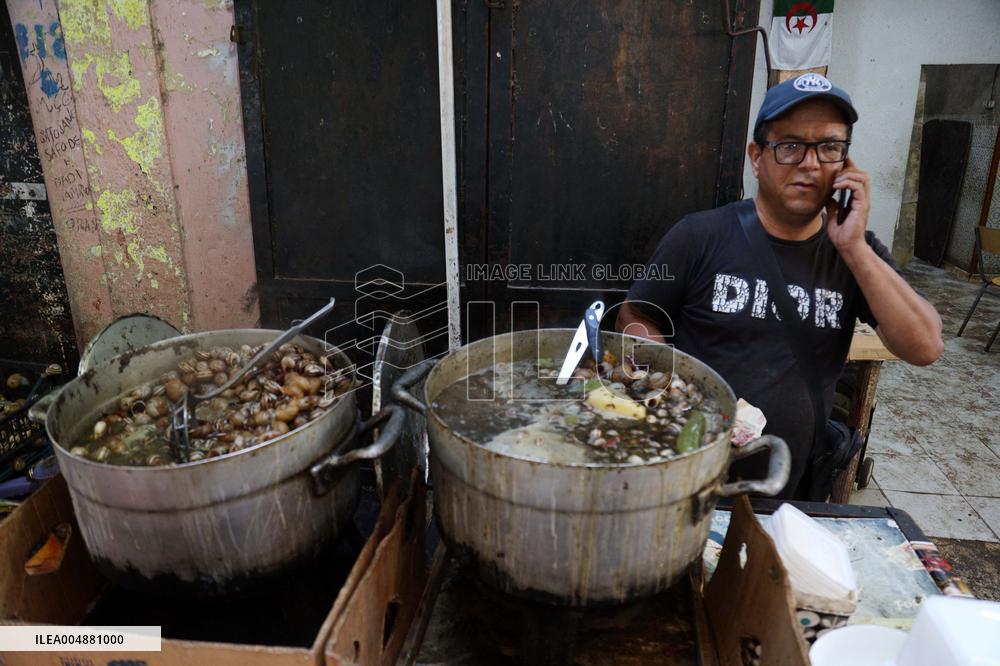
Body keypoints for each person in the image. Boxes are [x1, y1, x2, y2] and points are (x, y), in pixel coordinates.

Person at [615, 73, 943, 499]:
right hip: (690, 473)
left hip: (791, 485)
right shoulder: (699, 237)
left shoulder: (854, 250)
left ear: (845, 163)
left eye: (829, 147)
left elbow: (925, 347)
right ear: (756, 156)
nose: (810, 164)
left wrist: (855, 248)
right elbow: (637, 315)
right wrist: (661, 390)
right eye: (790, 146)